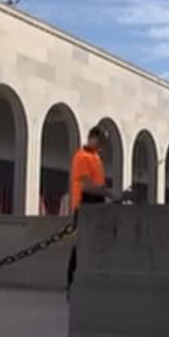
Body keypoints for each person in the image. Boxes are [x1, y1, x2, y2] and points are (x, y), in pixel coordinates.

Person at [65, 126, 115, 298]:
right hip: (84, 206)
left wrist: (108, 194)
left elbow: (98, 185)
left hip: (97, 207)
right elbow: (86, 185)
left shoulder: (96, 158)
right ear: (92, 137)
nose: (102, 146)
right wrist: (109, 193)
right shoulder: (82, 157)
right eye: (100, 142)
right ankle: (72, 287)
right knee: (79, 249)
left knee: (94, 248)